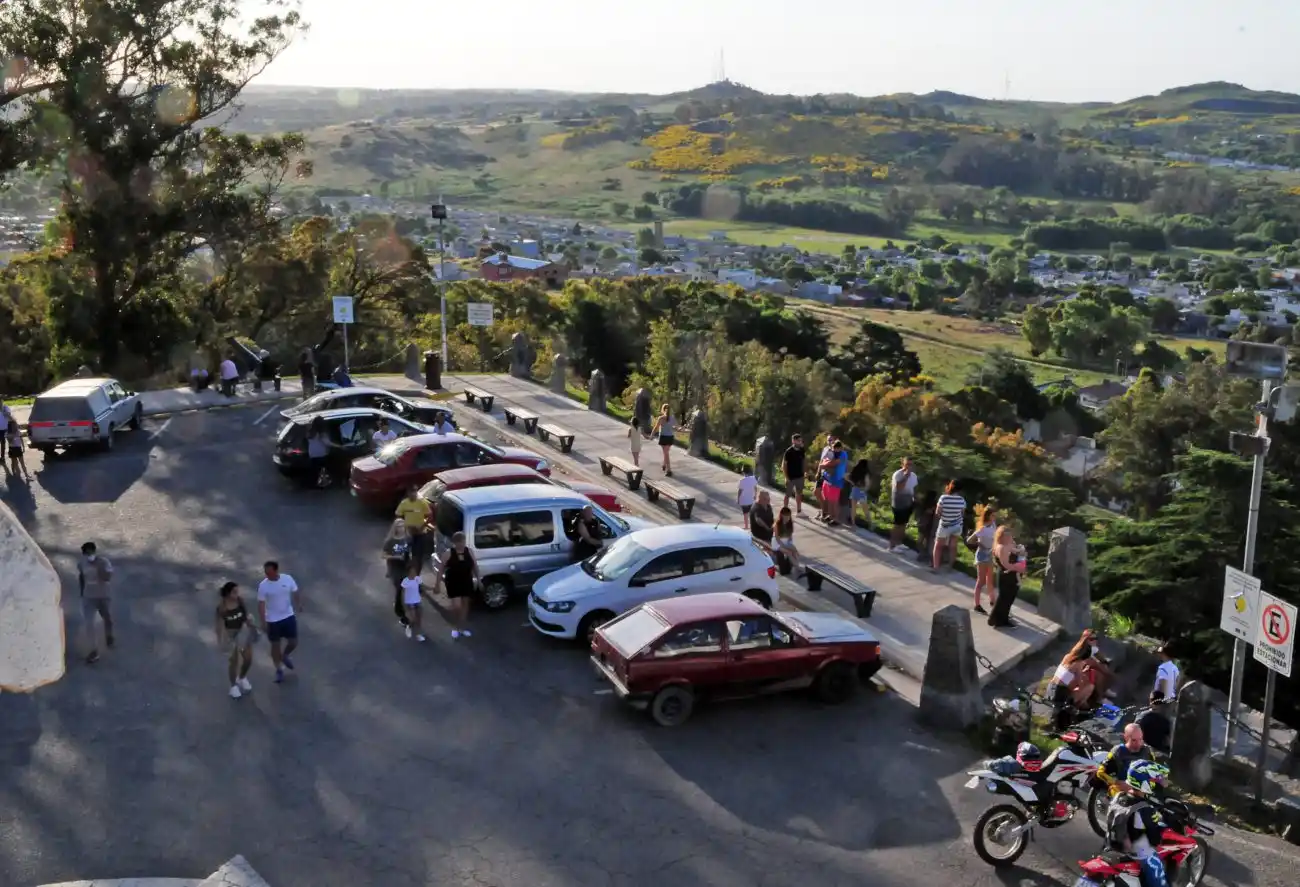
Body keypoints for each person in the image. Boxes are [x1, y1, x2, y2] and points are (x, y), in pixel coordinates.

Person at [1105, 760, 1173, 887]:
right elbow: (1154, 839)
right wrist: (1161, 827)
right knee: (1160, 881)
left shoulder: (1118, 796)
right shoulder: (1145, 809)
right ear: (1145, 783)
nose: (1155, 784)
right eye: (1153, 781)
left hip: (1113, 844)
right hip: (1139, 854)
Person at [257, 560, 301, 684]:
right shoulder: (263, 585)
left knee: (293, 642)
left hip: (288, 616)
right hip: (273, 620)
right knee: (275, 646)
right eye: (266, 573)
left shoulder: (287, 579)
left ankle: (285, 655)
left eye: (269, 573)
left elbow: (295, 591)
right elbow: (261, 604)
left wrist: (299, 604)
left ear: (276, 571)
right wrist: (263, 621)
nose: (267, 575)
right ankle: (279, 670)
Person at [431, 531, 480, 639]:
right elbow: (441, 569)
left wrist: (479, 580)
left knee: (465, 605)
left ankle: (462, 627)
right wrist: (437, 584)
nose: (461, 544)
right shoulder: (449, 553)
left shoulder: (469, 551)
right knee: (457, 606)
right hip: (453, 582)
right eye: (459, 542)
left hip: (466, 581)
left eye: (463, 541)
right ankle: (455, 627)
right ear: (455, 542)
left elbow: (475, 566)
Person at [215, 581, 257, 699]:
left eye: (237, 591)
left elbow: (246, 615)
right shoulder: (222, 608)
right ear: (228, 594)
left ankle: (242, 678)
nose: (237, 594)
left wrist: (251, 626)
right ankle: (233, 686)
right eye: (234, 592)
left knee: (248, 659)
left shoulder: (240, 601)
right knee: (234, 662)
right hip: (230, 634)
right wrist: (221, 641)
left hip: (242, 631)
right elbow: (219, 625)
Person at [77, 541, 115, 664]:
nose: (88, 555)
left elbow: (107, 577)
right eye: (86, 553)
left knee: (107, 618)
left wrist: (100, 569)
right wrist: (82, 592)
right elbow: (82, 576)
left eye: (90, 553)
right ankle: (93, 651)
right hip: (89, 597)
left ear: (94, 551)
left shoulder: (104, 562)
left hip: (103, 596)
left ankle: (109, 636)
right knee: (89, 623)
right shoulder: (82, 563)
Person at [1098, 724, 1155, 797]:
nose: (1138, 744)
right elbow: (1100, 772)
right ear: (1126, 738)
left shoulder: (1147, 751)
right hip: (1122, 793)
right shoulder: (1118, 751)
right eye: (1134, 740)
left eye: (1140, 739)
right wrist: (1117, 782)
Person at [988, 525, 1026, 628]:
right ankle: (996, 619)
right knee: (1004, 598)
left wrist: (1021, 552)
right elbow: (1006, 565)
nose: (1010, 538)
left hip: (1011, 575)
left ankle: (1002, 618)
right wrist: (1019, 568)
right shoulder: (1001, 547)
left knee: (1009, 598)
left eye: (1010, 535)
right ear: (1001, 536)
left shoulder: (1008, 544)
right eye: (1007, 536)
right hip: (1006, 575)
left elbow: (1016, 551)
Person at [382, 518, 413, 629]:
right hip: (395, 568)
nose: (401, 528)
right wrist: (396, 557)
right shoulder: (390, 541)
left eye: (403, 526)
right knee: (399, 589)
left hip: (405, 566)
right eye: (399, 526)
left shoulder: (408, 538)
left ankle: (409, 609)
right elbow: (384, 555)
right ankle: (401, 614)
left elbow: (409, 551)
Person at [395, 485, 433, 570]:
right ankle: (404, 569)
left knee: (418, 555)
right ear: (408, 493)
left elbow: (430, 517)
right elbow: (398, 516)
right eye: (411, 492)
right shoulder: (404, 503)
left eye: (415, 492)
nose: (413, 494)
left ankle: (416, 572)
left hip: (420, 533)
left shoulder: (422, 503)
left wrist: (422, 526)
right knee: (404, 552)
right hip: (408, 532)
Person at [968, 504, 998, 613]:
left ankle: (993, 601)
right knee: (981, 581)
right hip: (982, 556)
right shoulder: (982, 529)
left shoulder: (993, 525)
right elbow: (969, 540)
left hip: (990, 555)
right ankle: (977, 604)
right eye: (993, 515)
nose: (995, 517)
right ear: (988, 516)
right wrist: (980, 544)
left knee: (990, 580)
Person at [932, 479, 967, 571]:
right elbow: (962, 514)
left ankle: (936, 567)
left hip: (944, 525)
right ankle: (950, 566)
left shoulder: (943, 498)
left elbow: (937, 513)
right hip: (957, 525)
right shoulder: (962, 500)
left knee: (939, 546)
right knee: (953, 546)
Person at [888, 457, 919, 552]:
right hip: (898, 503)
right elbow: (899, 488)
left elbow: (913, 488)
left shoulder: (914, 476)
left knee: (904, 524)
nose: (909, 467)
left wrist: (915, 498)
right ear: (902, 464)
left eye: (911, 465)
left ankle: (899, 543)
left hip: (908, 503)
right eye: (907, 464)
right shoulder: (898, 474)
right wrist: (905, 476)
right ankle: (891, 546)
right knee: (898, 524)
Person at [400, 562, 427, 642]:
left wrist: (430, 589)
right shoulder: (406, 581)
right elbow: (403, 593)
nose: (414, 573)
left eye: (414, 571)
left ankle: (418, 634)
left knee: (419, 618)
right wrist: (404, 604)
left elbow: (422, 586)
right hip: (409, 602)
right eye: (412, 571)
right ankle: (409, 626)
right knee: (413, 619)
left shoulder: (417, 578)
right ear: (408, 572)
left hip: (417, 601)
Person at [774, 506, 803, 576]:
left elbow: (790, 537)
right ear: (781, 515)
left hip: (786, 542)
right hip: (778, 543)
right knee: (789, 552)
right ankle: (798, 568)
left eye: (788, 516)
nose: (787, 518)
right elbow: (777, 538)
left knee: (795, 551)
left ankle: (797, 565)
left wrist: (791, 545)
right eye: (785, 516)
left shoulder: (790, 524)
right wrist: (784, 546)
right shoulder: (777, 524)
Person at [781, 433, 805, 514]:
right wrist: (786, 477)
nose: (800, 442)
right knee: (787, 495)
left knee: (799, 494)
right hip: (790, 477)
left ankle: (799, 510)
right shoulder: (788, 451)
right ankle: (785, 510)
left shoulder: (802, 450)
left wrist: (805, 473)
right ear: (793, 441)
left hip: (800, 476)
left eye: (801, 440)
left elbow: (803, 462)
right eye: (798, 440)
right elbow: (784, 465)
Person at [913, 490, 938, 564]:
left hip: (923, 524)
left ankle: (922, 554)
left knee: (921, 540)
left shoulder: (922, 503)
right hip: (929, 524)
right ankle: (924, 554)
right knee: (926, 541)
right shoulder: (934, 504)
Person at [846, 458, 872, 531]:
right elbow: (868, 484)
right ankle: (870, 524)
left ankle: (853, 523)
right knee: (865, 508)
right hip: (861, 491)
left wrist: (853, 483)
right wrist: (865, 489)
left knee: (853, 508)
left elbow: (847, 477)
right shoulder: (866, 473)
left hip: (854, 489)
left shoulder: (855, 470)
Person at [306, 416, 330, 487]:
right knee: (323, 469)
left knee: (316, 470)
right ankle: (323, 482)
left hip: (312, 454)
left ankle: (315, 483)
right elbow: (327, 443)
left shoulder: (310, 432)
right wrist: (339, 446)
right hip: (321, 454)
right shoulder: (322, 433)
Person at [650, 405, 675, 476]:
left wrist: (652, 435)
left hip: (663, 437)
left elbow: (656, 427)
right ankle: (664, 465)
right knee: (666, 453)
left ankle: (669, 470)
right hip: (670, 437)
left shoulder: (661, 418)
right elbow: (675, 427)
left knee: (666, 453)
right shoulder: (672, 418)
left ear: (663, 410)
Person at [736, 465, 758, 529]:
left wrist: (738, 499)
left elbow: (740, 491)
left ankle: (746, 526)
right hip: (751, 499)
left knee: (745, 514)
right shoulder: (753, 478)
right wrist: (755, 495)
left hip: (744, 500)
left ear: (744, 472)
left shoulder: (742, 480)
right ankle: (753, 526)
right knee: (752, 513)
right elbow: (755, 488)